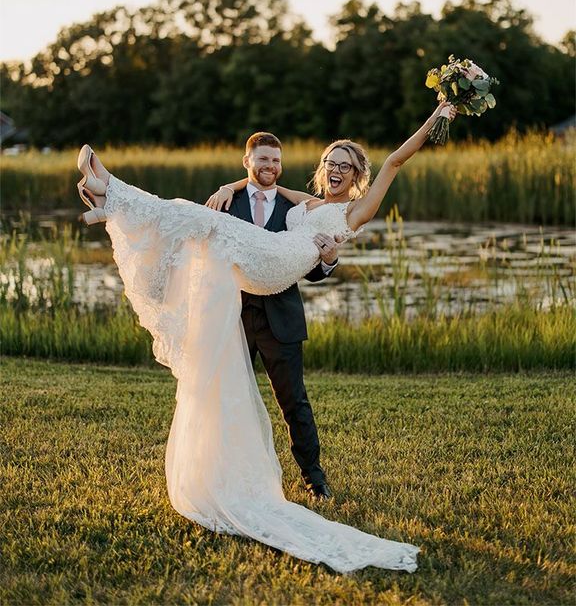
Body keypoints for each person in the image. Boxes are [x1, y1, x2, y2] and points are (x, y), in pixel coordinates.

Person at [76, 100, 456, 573]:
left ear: (359, 174)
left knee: (207, 224)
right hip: (260, 268)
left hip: (276, 266)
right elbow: (259, 179)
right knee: (202, 224)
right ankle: (110, 204)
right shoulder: (307, 202)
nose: (337, 169)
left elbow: (397, 160)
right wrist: (229, 183)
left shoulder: (356, 210)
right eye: (331, 162)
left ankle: (110, 193)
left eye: (346, 165)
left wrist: (437, 115)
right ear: (323, 169)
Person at [206, 131, 338, 501]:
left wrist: (329, 261)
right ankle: (224, 474)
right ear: (247, 161)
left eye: (276, 160)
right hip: (233, 318)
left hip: (282, 319)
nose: (270, 166)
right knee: (227, 399)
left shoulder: (295, 211)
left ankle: (314, 478)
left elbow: (308, 267)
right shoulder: (223, 203)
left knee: (294, 402)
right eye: (263, 159)